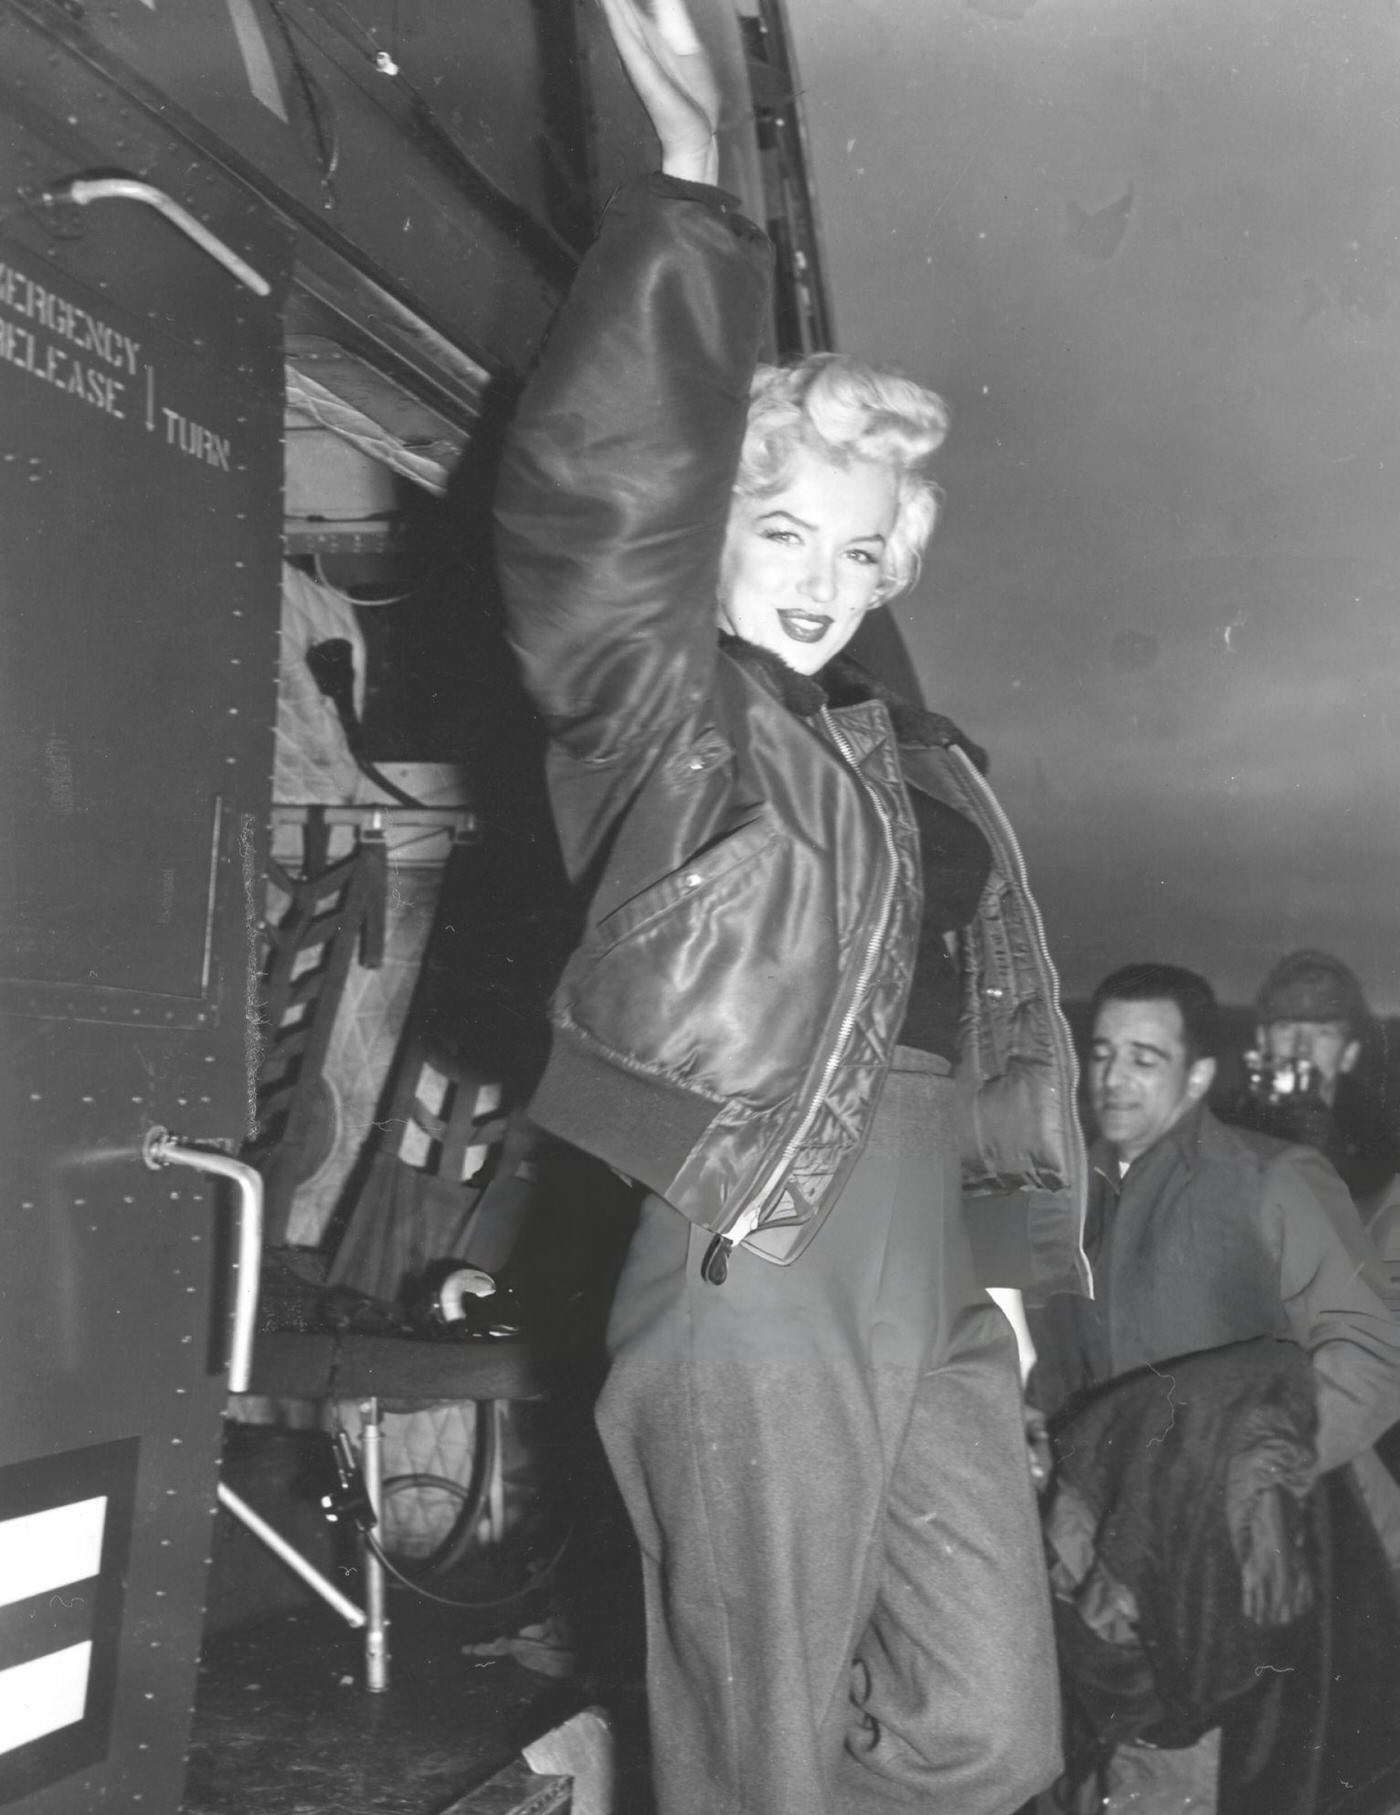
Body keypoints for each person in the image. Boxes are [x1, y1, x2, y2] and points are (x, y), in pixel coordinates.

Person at [492, 3, 1090, 1809]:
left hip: (936, 1280)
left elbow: (985, 1037)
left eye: (861, 550)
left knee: (990, 1733)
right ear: (719, 531)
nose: (825, 583)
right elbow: (600, 504)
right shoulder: (670, 715)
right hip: (765, 1243)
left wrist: (1011, 1278)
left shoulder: (913, 759)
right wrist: (692, 198)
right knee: (756, 1745)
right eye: (784, 534)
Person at [1030, 962, 1400, 1812]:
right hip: (1097, 1558)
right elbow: (1057, 1379)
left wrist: (1242, 1488)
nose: (1114, 1078)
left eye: (1145, 1059)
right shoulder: (1060, 1197)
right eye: (1102, 1053)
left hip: (1245, 1561)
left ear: (1198, 1075)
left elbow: (1371, 1359)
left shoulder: (1276, 1175)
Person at [1220, 947, 1399, 1219]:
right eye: (1287, 1029)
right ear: (1262, 1041)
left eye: (1324, 1034)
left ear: (1348, 1055)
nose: (1302, 1049)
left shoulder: (1382, 1139)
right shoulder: (1223, 1126)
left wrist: (1332, 1154)